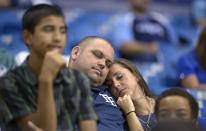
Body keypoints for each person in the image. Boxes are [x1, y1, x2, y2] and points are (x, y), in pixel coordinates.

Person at [0, 4, 97, 131]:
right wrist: (46, 79)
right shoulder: (9, 82)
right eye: (48, 29)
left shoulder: (77, 79)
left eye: (63, 31)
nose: (58, 38)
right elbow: (44, 128)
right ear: (27, 37)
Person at [69, 36, 126, 131]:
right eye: (98, 55)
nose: (103, 64)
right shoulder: (53, 84)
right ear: (76, 53)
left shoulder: (116, 90)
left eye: (108, 64)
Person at [111, 0, 177, 62]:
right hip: (138, 65)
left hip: (166, 64)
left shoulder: (161, 20)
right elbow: (125, 46)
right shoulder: (126, 20)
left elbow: (175, 45)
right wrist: (150, 47)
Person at [106, 58, 156, 131]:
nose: (116, 85)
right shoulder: (121, 122)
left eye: (120, 77)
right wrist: (129, 112)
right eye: (110, 85)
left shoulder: (163, 102)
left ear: (135, 75)